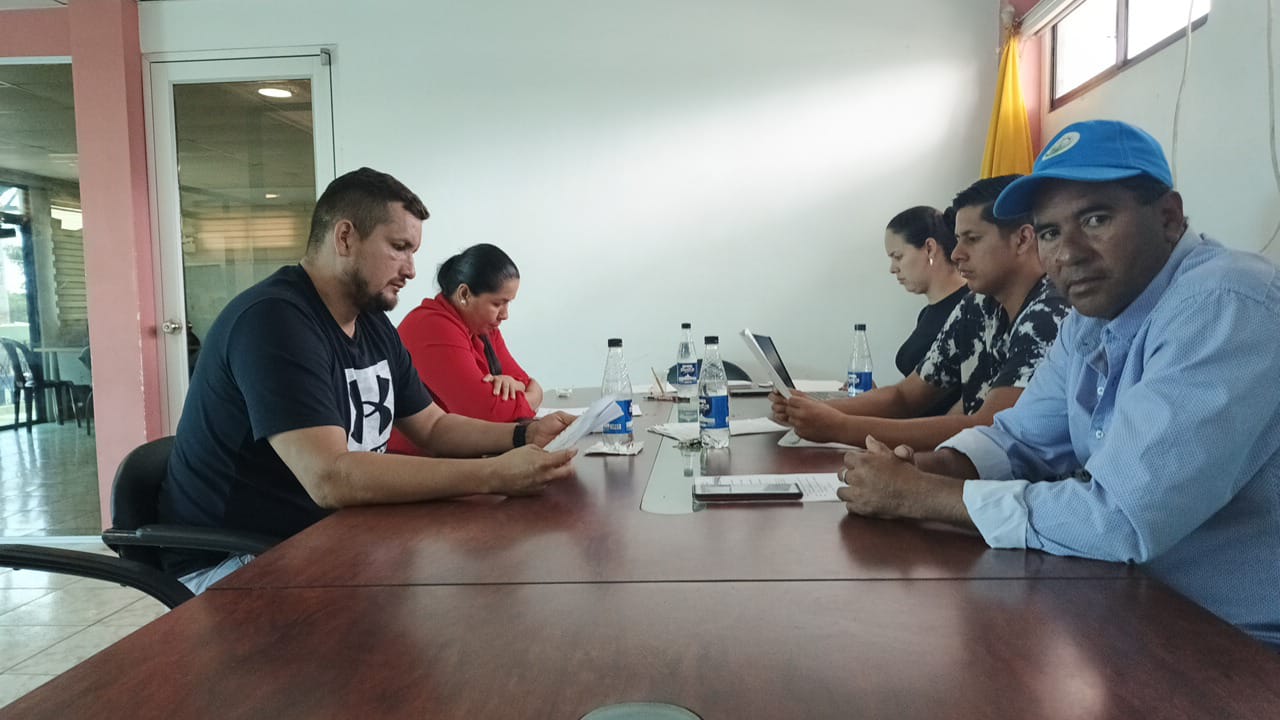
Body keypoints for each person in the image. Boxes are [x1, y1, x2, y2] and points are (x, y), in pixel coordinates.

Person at [836, 120, 1280, 650]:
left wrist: (925, 496)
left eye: (1095, 219)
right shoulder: (1090, 318)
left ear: (1168, 217)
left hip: (1239, 644)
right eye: (1049, 232)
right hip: (1130, 608)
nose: (1068, 253)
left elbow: (1120, 518)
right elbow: (1019, 439)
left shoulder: (1224, 304)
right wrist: (922, 467)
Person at [159, 167, 578, 594]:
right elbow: (330, 476)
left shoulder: (371, 323)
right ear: (345, 238)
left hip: (325, 536)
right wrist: (492, 475)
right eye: (399, 248)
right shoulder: (274, 323)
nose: (411, 270)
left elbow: (433, 426)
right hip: (238, 560)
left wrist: (524, 435)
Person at [772, 175, 1068, 450]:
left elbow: (991, 428)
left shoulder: (1050, 314)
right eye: (958, 239)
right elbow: (905, 397)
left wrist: (840, 427)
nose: (956, 253)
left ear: (1023, 239)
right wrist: (813, 410)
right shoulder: (976, 306)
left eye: (972, 239)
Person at [388, 244, 539, 457]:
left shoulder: (484, 329)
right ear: (464, 294)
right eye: (498, 304)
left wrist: (517, 385)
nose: (505, 315)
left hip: (460, 455)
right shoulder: (432, 326)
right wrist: (532, 395)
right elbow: (488, 413)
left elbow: (523, 379)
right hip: (414, 462)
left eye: (508, 304)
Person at [883, 205, 970, 416]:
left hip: (939, 433)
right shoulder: (927, 313)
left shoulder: (969, 309)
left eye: (898, 256)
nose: (893, 268)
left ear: (930, 248)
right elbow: (909, 397)